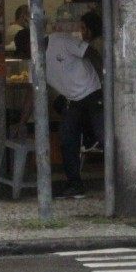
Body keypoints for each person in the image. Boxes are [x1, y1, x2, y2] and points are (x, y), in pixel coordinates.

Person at [44, 10, 104, 198]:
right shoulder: (35, 62)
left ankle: (120, 181)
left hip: (92, 92)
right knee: (66, 138)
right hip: (73, 100)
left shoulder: (60, 40)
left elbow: (92, 53)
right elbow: (32, 92)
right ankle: (75, 185)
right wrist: (22, 122)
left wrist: (107, 81)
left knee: (104, 136)